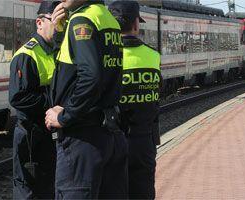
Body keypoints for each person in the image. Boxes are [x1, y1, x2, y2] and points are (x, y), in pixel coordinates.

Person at [45, 0, 128, 198]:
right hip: (109, 132)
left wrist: (65, 115)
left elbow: (90, 77)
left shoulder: (82, 20)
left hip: (82, 139)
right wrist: (59, 34)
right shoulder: (107, 19)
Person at [109, 1, 161, 199]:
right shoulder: (153, 56)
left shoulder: (108, 57)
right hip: (144, 140)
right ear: (136, 24)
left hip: (114, 141)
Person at [9, 1, 60, 198]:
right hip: (31, 134)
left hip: (50, 131)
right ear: (40, 22)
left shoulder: (57, 52)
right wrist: (53, 103)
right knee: (28, 189)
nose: (59, 26)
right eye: (54, 21)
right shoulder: (26, 55)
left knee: (48, 185)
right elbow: (18, 97)